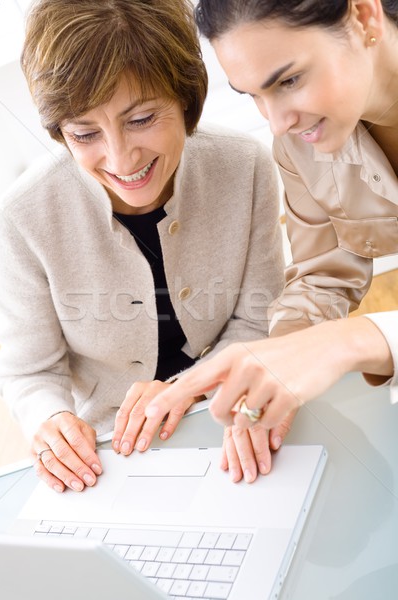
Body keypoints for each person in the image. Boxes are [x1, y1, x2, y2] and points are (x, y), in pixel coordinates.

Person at [0, 0, 285, 492]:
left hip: (233, 413)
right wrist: (51, 422)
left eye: (142, 118)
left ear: (186, 97)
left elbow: (257, 319)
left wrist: (187, 391)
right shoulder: (23, 216)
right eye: (85, 133)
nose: (120, 158)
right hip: (111, 454)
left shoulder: (245, 166)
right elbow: (31, 371)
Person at [146, 0, 398, 466]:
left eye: (289, 80)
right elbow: (324, 278)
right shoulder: (301, 141)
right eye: (253, 95)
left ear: (364, 16)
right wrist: (273, 370)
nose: (276, 121)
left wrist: (353, 341)